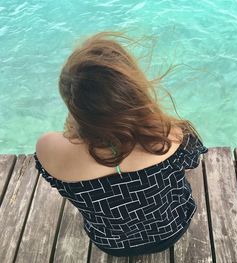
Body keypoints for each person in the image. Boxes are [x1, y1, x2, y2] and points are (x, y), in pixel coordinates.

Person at [34, 31, 208, 257]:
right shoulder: (172, 135)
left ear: (73, 104)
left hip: (110, 243)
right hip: (173, 228)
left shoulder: (48, 148)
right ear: (133, 90)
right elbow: (192, 161)